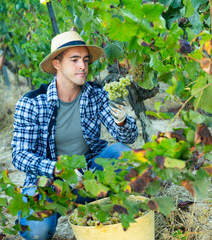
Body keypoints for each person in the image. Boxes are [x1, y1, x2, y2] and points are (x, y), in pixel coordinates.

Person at [11, 30, 138, 240]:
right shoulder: (32, 102)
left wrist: (122, 120)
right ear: (57, 64)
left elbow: (126, 138)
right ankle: (33, 212)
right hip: (49, 182)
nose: (83, 66)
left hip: (88, 176)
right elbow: (20, 155)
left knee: (124, 154)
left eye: (86, 60)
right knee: (37, 233)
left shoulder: (96, 94)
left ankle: (107, 206)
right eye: (75, 60)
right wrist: (57, 169)